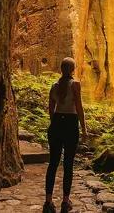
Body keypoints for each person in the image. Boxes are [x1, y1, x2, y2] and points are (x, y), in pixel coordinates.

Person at [44, 57, 88, 213]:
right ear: (73, 70)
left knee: (53, 163)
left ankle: (48, 202)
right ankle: (65, 201)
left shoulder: (54, 86)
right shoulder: (75, 84)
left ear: (61, 69)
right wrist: (84, 129)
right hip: (70, 124)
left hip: (56, 123)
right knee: (68, 164)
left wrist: (55, 124)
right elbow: (79, 107)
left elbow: (51, 109)